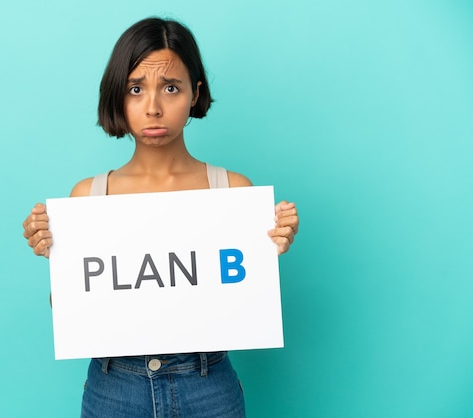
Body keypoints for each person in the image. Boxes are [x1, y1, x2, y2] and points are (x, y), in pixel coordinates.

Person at [22, 17, 299, 418]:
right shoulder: (88, 195)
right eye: (136, 89)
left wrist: (272, 244)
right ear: (118, 96)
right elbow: (70, 311)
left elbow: (243, 297)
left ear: (194, 93)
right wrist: (55, 256)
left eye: (170, 87)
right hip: (113, 387)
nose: (153, 107)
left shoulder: (232, 190)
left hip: (208, 386)